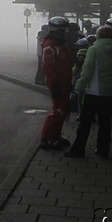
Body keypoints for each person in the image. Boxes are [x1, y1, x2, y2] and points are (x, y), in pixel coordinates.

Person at [64, 26, 112, 158]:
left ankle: (78, 149)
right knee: (105, 123)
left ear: (98, 36)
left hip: (94, 92)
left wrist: (79, 87)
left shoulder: (93, 50)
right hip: (110, 92)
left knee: (85, 123)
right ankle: (103, 150)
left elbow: (86, 71)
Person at [39, 16, 74, 150]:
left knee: (63, 110)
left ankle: (55, 136)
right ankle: (46, 138)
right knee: (57, 111)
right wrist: (54, 85)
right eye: (63, 29)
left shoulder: (60, 44)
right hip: (57, 83)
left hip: (64, 81)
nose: (65, 31)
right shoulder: (50, 45)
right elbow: (48, 67)